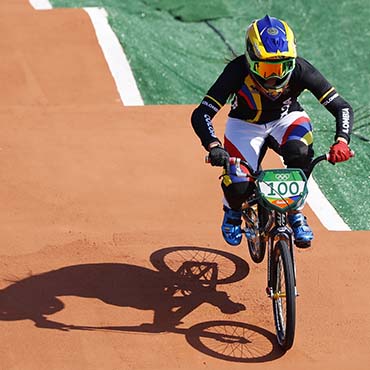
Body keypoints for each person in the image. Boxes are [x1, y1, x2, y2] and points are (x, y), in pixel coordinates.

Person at [191, 15, 353, 248]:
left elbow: (341, 107)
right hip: (244, 126)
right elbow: (202, 113)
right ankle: (232, 211)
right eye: (266, 69)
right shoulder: (236, 70)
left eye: (282, 67)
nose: (274, 77)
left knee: (300, 152)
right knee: (238, 185)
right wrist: (214, 146)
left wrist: (342, 140)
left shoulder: (301, 69)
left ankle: (296, 212)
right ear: (250, 59)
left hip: (286, 119)